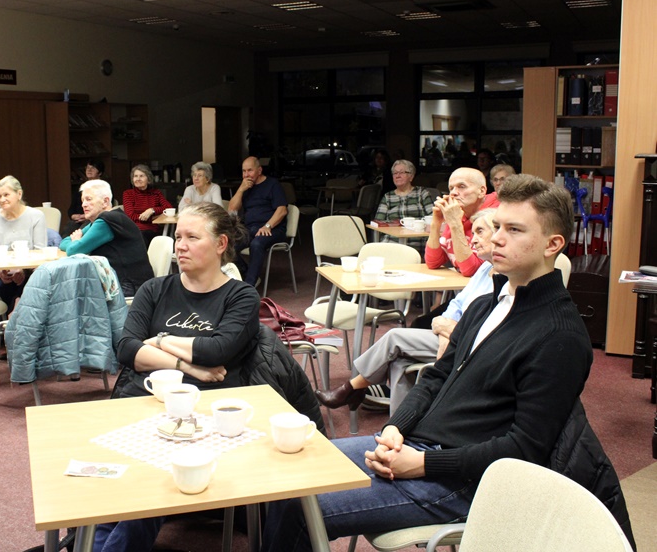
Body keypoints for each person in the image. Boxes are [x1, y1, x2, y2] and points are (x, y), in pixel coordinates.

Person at [261, 175, 600, 551]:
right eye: (498, 225)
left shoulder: (559, 335)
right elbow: (437, 376)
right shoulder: (491, 301)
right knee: (289, 478)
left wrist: (422, 465)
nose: (497, 237)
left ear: (553, 244)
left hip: (465, 483)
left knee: (298, 503)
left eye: (515, 230)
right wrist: (395, 426)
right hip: (423, 450)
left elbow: (524, 450)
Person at [97, 201, 260, 551]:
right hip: (145, 403)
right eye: (178, 237)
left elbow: (218, 351)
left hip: (204, 416)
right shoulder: (155, 290)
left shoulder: (241, 295)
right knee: (104, 492)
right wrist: (186, 366)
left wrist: (159, 341)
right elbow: (125, 348)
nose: (180, 245)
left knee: (145, 485)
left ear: (220, 245)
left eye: (192, 237)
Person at [316, 209, 497, 414]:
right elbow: (456, 304)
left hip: (469, 342)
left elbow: (486, 322)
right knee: (399, 362)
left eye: (480, 232)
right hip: (451, 334)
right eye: (472, 233)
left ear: (499, 233)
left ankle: (352, 387)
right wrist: (444, 327)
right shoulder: (484, 269)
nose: (473, 240)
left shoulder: (506, 278)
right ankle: (400, 427)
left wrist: (450, 331)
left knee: (395, 337)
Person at [59, 179, 153, 297]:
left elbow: (73, 251)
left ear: (105, 201)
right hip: (119, 283)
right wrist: (75, 242)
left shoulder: (107, 221)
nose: (83, 204)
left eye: (88, 199)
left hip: (129, 287)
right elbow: (64, 242)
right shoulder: (102, 219)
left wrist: (77, 241)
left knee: (68, 293)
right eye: (82, 200)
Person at [0, 176, 47, 312]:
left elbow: (40, 252)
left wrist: (23, 270)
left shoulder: (36, 216)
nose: (2, 200)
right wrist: (2, 271)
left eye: (6, 194)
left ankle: (31, 329)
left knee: (35, 289)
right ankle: (0, 330)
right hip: (0, 270)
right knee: (0, 290)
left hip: (30, 269)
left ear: (19, 194)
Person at [425, 167, 498, 277]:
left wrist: (455, 223)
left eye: (462, 186)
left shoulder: (494, 216)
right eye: (451, 188)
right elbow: (433, 262)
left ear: (482, 191)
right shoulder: (458, 211)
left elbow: (471, 270)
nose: (453, 193)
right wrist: (436, 222)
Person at [228, 156, 288, 287]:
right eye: (244, 171)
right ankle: (248, 273)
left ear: (259, 170)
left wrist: (268, 226)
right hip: (250, 229)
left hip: (273, 228)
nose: (246, 174)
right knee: (228, 245)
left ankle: (249, 284)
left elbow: (282, 210)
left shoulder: (273, 185)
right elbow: (232, 209)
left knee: (257, 244)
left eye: (250, 170)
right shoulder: (245, 187)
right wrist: (240, 190)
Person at [373, 160, 434, 252]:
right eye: (395, 173)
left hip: (416, 243)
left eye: (401, 172)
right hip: (391, 242)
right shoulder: (388, 197)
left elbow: (433, 218)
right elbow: (378, 223)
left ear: (411, 176)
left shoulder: (422, 194)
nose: (397, 176)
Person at [122, 164, 173, 249]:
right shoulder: (128, 194)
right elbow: (130, 216)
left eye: (141, 176)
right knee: (141, 238)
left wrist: (152, 210)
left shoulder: (156, 193)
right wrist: (152, 218)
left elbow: (169, 208)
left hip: (152, 230)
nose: (138, 179)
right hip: (135, 229)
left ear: (148, 179)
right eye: (135, 176)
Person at [62, 160, 104, 237]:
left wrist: (87, 216)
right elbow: (71, 209)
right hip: (78, 220)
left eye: (93, 168)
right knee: (69, 227)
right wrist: (73, 216)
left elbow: (105, 208)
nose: (89, 170)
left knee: (82, 231)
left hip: (94, 219)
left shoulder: (104, 188)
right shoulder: (81, 187)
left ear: (100, 173)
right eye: (87, 168)